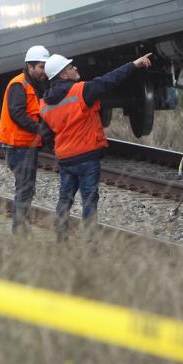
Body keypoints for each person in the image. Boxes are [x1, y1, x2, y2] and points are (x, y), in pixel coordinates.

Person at [40, 52, 152, 242]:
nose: (75, 68)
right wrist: (133, 64)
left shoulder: (44, 103)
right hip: (86, 158)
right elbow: (109, 80)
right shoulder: (80, 91)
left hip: (65, 160)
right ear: (63, 75)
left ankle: (61, 239)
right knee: (89, 201)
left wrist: (60, 148)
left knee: (64, 200)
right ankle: (91, 244)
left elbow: (46, 134)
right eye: (70, 67)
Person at [0, 45, 53, 236]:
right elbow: (17, 113)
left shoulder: (36, 85)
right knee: (25, 188)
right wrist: (41, 130)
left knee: (26, 188)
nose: (44, 70)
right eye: (41, 66)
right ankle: (20, 232)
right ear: (30, 67)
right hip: (18, 145)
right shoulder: (18, 85)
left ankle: (22, 228)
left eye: (45, 66)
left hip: (26, 144)